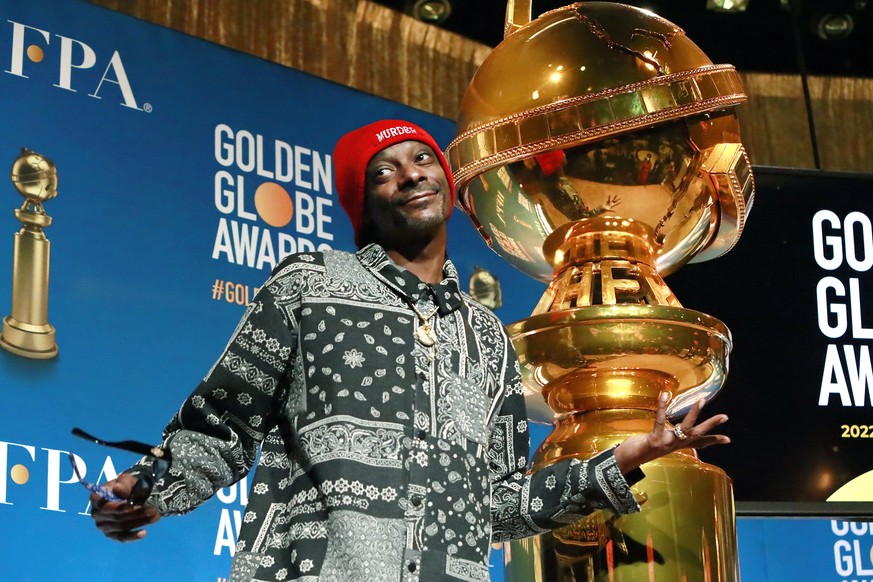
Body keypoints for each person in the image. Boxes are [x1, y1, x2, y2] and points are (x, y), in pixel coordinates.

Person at [89, 120, 730, 582]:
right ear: (362, 203)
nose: (410, 174)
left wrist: (623, 458)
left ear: (446, 183)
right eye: (384, 171)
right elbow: (222, 425)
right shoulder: (310, 286)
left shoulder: (487, 337)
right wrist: (152, 486)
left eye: (421, 158)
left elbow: (499, 504)